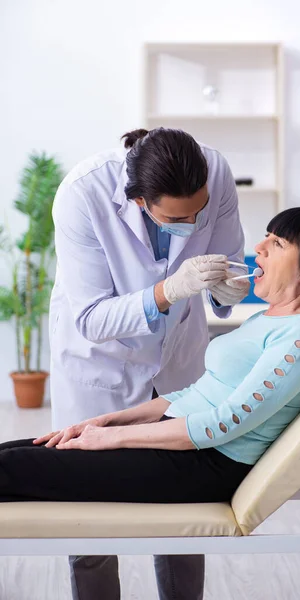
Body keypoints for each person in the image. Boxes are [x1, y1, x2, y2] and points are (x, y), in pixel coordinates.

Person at [0, 207, 300, 599]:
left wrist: (112, 441)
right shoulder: (272, 320)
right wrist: (108, 422)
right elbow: (194, 393)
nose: (259, 248)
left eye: (276, 243)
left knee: (12, 467)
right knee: (16, 452)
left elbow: (225, 422)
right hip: (181, 444)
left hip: (202, 461)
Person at [48, 127, 250, 600]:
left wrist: (227, 291)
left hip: (178, 361)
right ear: (139, 202)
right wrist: (167, 291)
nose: (194, 219)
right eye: (178, 217)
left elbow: (227, 263)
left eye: (199, 209)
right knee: (90, 517)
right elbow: (91, 318)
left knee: (182, 508)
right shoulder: (83, 195)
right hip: (101, 364)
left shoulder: (214, 172)